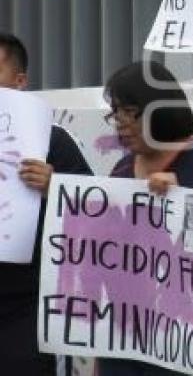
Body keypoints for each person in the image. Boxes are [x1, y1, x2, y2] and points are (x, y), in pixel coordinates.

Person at [98, 60, 193, 375]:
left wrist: (184, 204)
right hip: (123, 340)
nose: (119, 124)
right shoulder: (121, 171)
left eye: (129, 113)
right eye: (115, 114)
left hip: (185, 339)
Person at [0, 33, 93, 374]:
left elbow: (96, 211)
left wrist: (55, 186)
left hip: (27, 306)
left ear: (19, 80)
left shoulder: (52, 138)